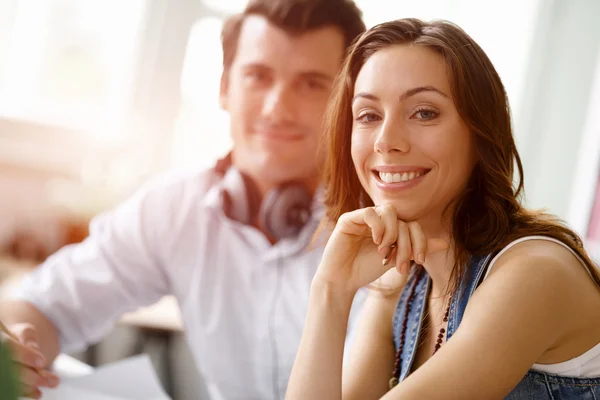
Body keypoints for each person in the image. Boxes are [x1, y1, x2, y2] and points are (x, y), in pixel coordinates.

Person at [0, 1, 366, 399]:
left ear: (345, 103)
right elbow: (45, 305)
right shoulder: (174, 206)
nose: (277, 108)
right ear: (225, 87)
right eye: (258, 77)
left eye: (311, 84)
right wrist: (16, 347)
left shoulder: (378, 222)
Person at [285, 18, 600, 400]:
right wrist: (331, 289)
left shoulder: (533, 274)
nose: (386, 142)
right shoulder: (401, 283)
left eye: (424, 112)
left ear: (479, 133)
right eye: (368, 115)